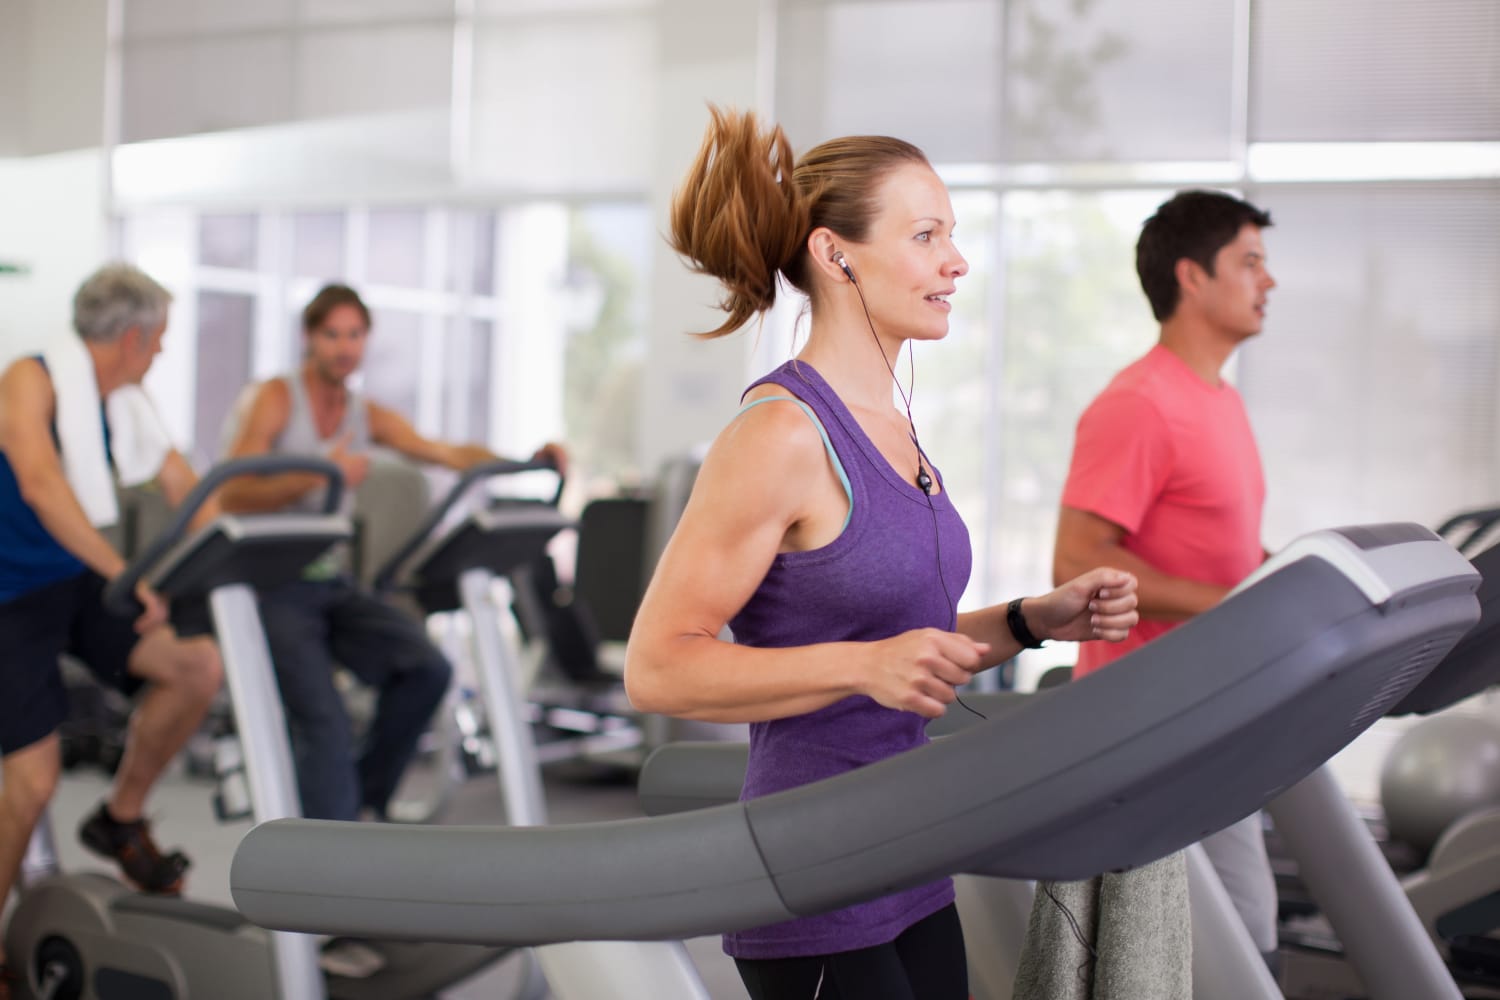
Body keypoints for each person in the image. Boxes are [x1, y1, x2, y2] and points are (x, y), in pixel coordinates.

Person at [624, 106, 1140, 1000]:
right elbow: (659, 668)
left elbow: (908, 650)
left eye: (954, 235)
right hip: (813, 865)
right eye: (927, 235)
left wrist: (1031, 618)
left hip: (908, 849)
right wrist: (866, 665)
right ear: (837, 255)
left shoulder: (892, 426)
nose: (957, 262)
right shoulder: (781, 433)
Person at [219, 283, 566, 822]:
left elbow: (446, 452)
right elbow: (233, 492)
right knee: (326, 721)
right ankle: (326, 843)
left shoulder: (364, 412)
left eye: (354, 334)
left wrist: (525, 461)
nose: (344, 347)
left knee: (425, 669)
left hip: (327, 583)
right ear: (310, 338)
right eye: (332, 334)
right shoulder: (275, 399)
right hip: (269, 585)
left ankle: (359, 801)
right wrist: (320, 474)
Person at [1053, 189, 1280, 966]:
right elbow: (1077, 562)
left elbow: (1219, 548)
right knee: (1218, 947)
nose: (1268, 281)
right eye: (1249, 262)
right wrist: (1239, 605)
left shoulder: (1219, 401)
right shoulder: (1140, 403)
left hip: (1217, 713)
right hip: (1147, 722)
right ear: (1191, 276)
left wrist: (1291, 577)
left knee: (1247, 935)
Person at [0, 264, 224, 995]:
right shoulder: (29, 381)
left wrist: (236, 541)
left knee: (195, 668)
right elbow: (41, 484)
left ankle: (120, 820)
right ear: (131, 337)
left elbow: (180, 482)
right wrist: (124, 573)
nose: (159, 354)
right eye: (158, 341)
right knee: (31, 783)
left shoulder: (121, 400)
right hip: (8, 597)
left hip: (70, 584)